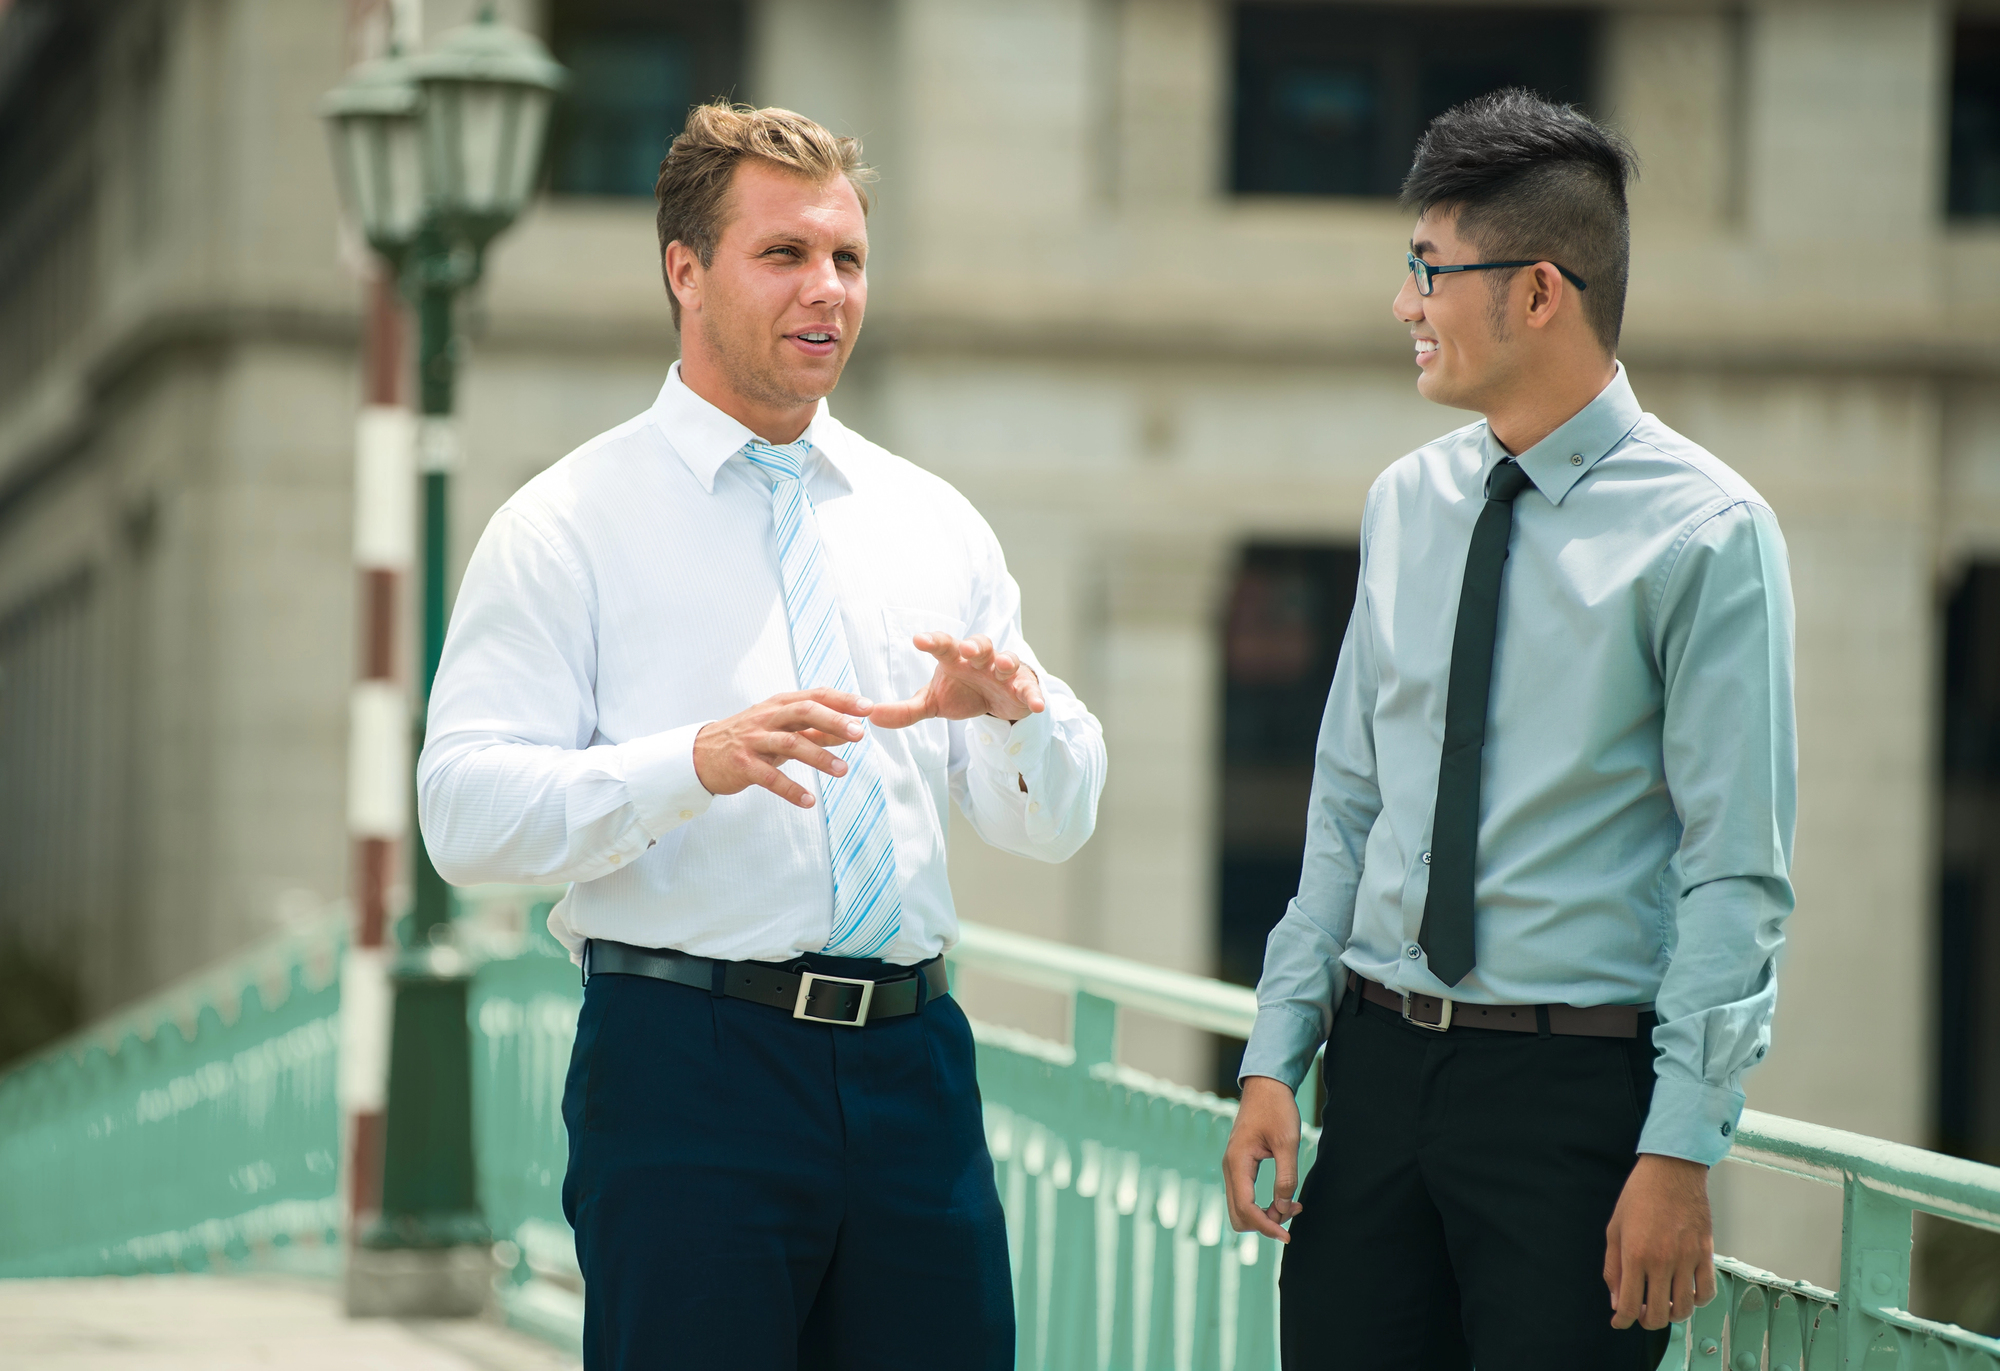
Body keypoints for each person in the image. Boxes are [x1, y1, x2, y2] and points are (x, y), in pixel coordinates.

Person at [417, 102, 1106, 1370]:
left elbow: (1048, 824)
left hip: (916, 1071)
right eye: (783, 255)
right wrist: (689, 764)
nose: (827, 290)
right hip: (688, 1069)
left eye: (846, 258)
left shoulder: (929, 521)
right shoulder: (564, 525)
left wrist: (1024, 716)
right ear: (684, 270)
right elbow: (460, 813)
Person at [1221, 89, 1795, 1370]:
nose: (1404, 305)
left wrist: (1677, 1149)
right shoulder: (1403, 504)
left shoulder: (1705, 533)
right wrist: (1276, 1055)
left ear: (1538, 292)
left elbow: (1734, 869)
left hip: (1571, 1110)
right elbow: (1346, 807)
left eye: (1428, 271)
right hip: (1373, 1085)